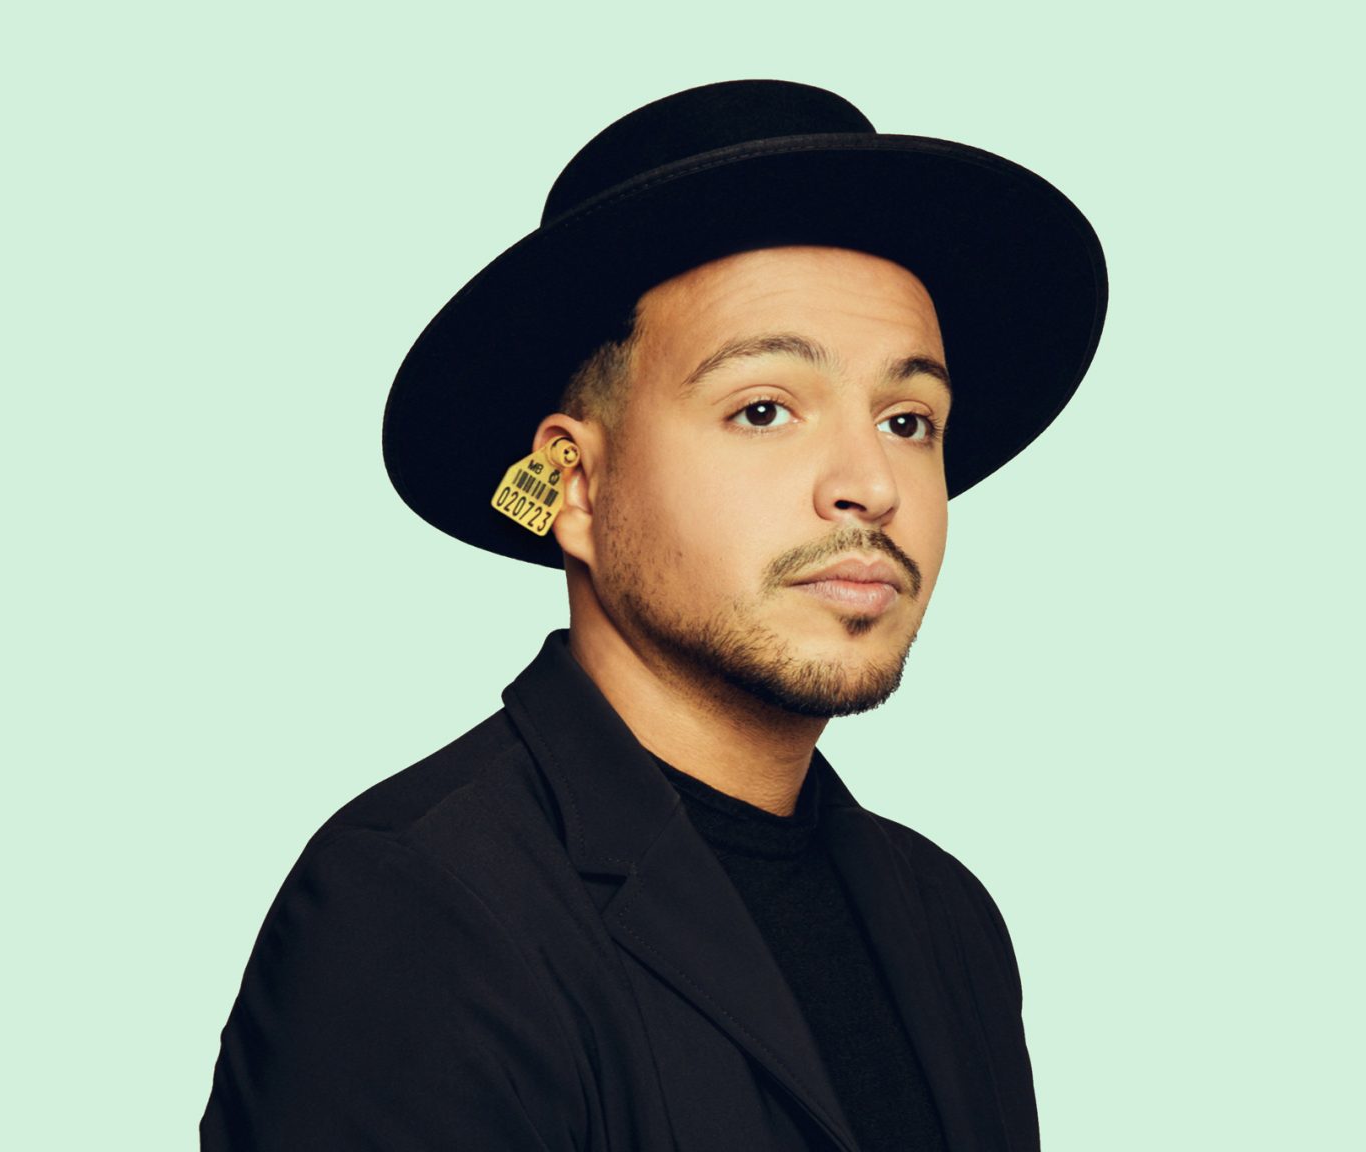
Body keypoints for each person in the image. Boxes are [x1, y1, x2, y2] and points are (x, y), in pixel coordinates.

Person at [202, 79, 1107, 1151]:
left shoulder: (948, 919)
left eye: (909, 420)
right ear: (576, 487)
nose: (870, 485)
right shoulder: (415, 906)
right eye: (763, 409)